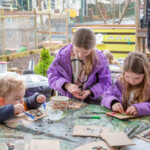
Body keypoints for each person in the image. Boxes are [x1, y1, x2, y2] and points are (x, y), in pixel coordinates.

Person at [47, 27, 112, 104]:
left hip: (91, 103)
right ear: (72, 44)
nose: (80, 55)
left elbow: (106, 82)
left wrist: (90, 91)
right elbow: (52, 77)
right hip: (66, 102)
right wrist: (67, 85)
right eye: (76, 51)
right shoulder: (62, 56)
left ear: (92, 48)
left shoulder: (100, 59)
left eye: (85, 52)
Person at [101, 51, 150, 116]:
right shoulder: (120, 82)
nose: (131, 81)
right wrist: (113, 102)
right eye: (127, 76)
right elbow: (107, 95)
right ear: (124, 73)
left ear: (146, 74)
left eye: (137, 78)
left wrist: (140, 108)